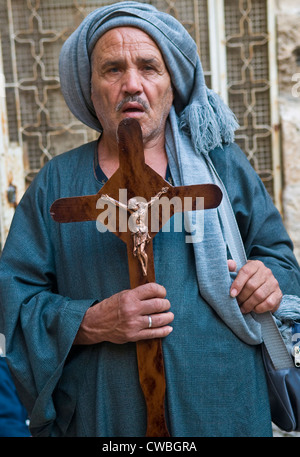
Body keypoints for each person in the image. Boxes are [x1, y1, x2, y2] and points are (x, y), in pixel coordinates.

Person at [0, 2, 300, 437]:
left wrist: (267, 279)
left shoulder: (220, 166)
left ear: (172, 83)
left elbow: (281, 262)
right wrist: (90, 320)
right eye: (112, 69)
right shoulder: (57, 185)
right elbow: (15, 298)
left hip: (225, 407)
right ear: (89, 87)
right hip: (108, 416)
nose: (132, 85)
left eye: (149, 67)